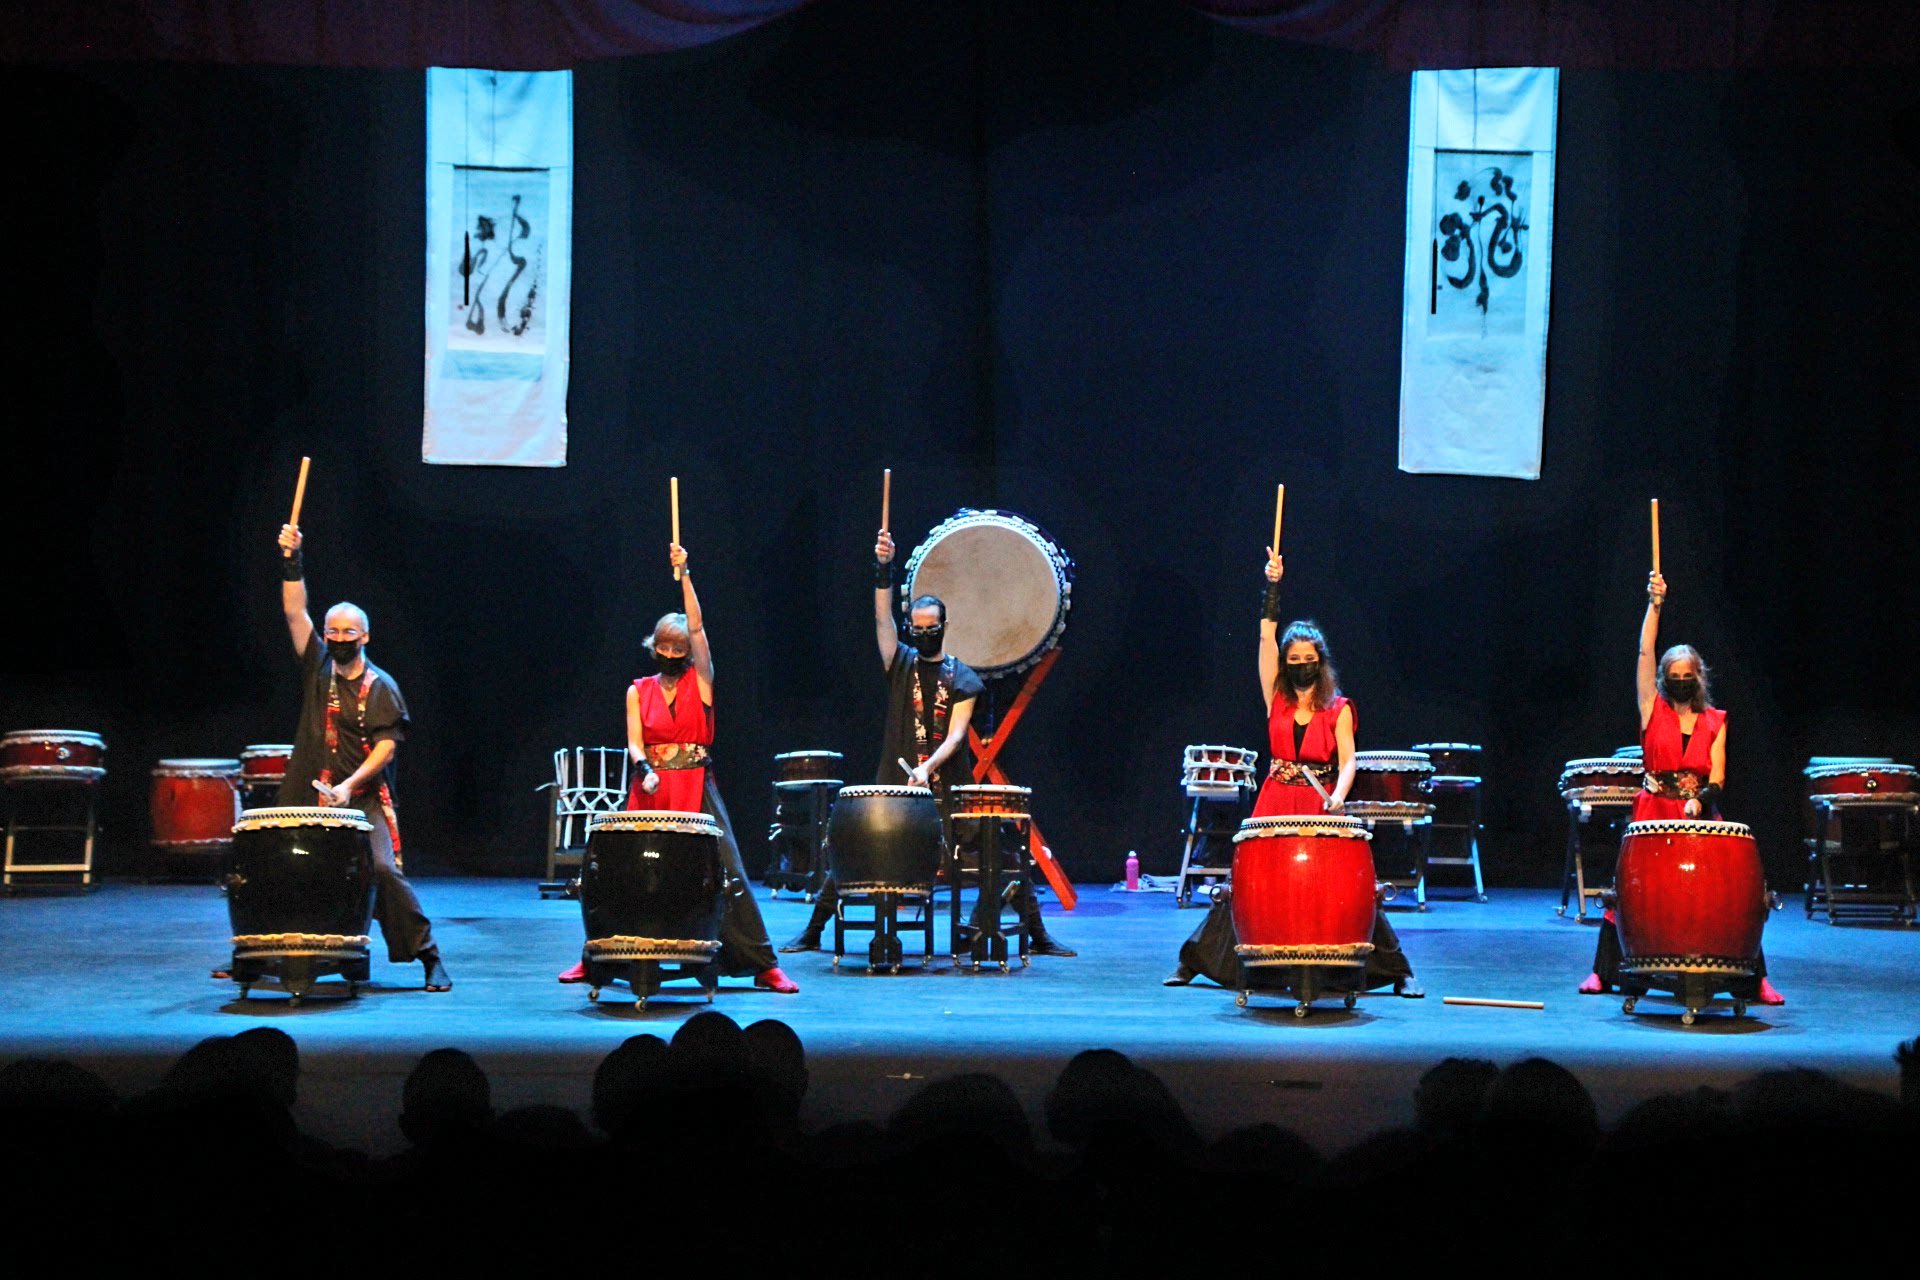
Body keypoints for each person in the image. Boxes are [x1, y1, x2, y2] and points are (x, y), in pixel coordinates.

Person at [781, 528, 1075, 957]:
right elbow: (882, 620)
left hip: (948, 790)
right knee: (854, 849)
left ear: (943, 627)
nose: (922, 635)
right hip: (895, 793)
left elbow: (957, 736)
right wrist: (884, 569)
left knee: (1003, 856)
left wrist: (926, 769)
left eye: (930, 628)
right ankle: (812, 931)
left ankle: (1038, 935)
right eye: (915, 629)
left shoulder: (964, 678)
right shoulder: (899, 664)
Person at [1165, 549, 1420, 996]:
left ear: (1319, 661)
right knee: (1247, 885)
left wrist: (1340, 794)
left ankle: (1397, 971)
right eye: (1294, 658)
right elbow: (1266, 640)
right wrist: (1273, 588)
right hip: (1275, 799)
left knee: (1345, 889)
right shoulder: (1276, 700)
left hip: (1322, 803)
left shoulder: (1338, 708)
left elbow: (1349, 761)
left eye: (1308, 658)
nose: (1301, 664)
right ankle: (1195, 962)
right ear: (1286, 663)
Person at [558, 543, 798, 993]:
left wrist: (685, 573)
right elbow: (634, 741)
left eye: (678, 647)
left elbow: (700, 626)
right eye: (664, 646)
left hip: (695, 785)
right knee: (620, 872)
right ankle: (595, 960)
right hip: (650, 786)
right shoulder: (638, 690)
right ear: (654, 647)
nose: (671, 652)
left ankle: (763, 964)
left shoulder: (700, 681)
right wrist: (644, 767)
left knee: (727, 870)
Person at [1579, 570, 1784, 1003]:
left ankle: (1754, 978)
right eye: (1673, 673)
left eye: (1687, 673)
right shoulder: (1651, 708)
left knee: (1725, 895)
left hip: (1698, 813)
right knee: (1631, 891)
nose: (1679, 678)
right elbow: (1643, 650)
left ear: (1699, 677)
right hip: (1653, 809)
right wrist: (1655, 605)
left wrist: (1699, 801)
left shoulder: (1716, 721)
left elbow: (1718, 775)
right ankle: (1603, 972)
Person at [269, 524, 450, 991]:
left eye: (349, 632)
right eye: (332, 631)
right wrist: (293, 560)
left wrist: (349, 787)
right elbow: (294, 611)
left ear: (365, 635)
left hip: (361, 798)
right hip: (309, 787)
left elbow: (387, 746)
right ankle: (263, 954)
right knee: (280, 863)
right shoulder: (319, 668)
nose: (339, 638)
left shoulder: (381, 686)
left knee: (384, 872)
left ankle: (428, 956)